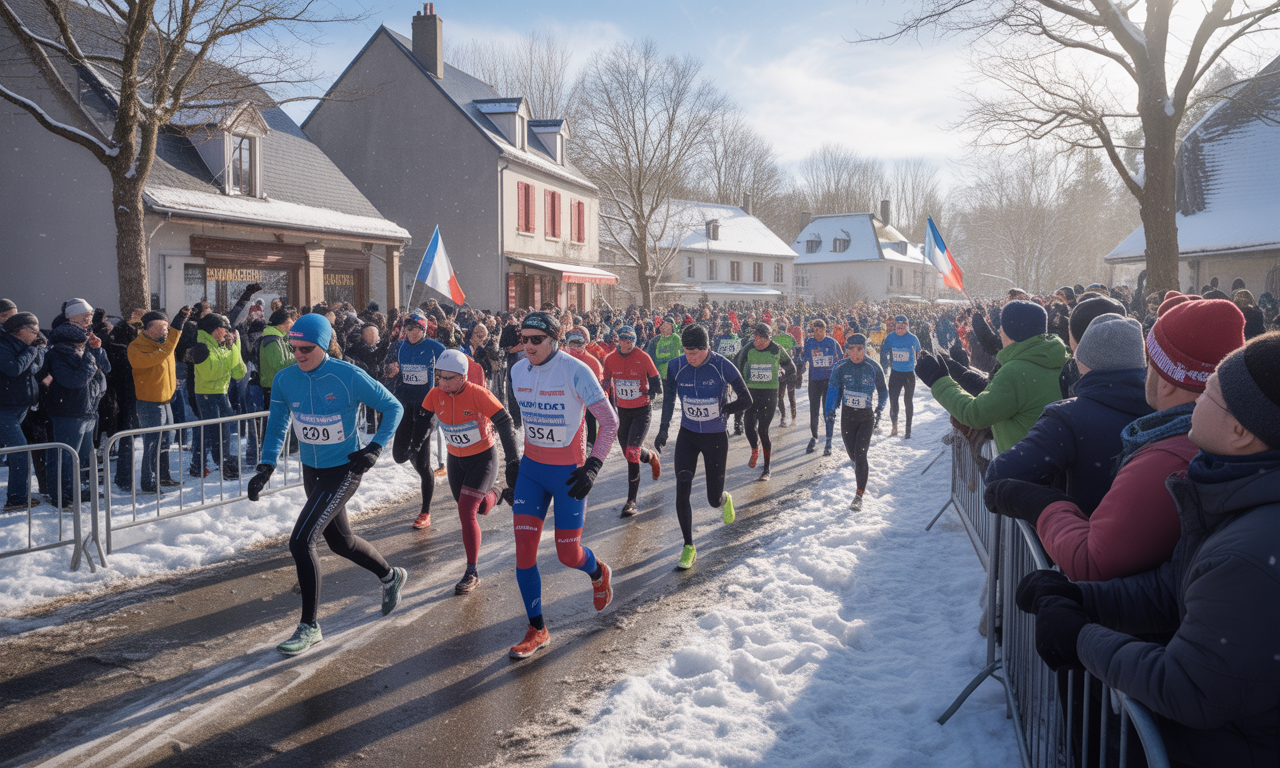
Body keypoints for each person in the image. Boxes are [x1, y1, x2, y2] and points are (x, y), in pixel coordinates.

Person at [1017, 331, 1280, 768]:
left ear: (1240, 432)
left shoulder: (1250, 551)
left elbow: (1190, 688)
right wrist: (1082, 599)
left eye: (1211, 392)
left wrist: (1080, 638)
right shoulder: (1236, 499)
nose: (1195, 401)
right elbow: (1173, 588)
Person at [985, 298, 1245, 581]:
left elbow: (1093, 560)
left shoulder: (1164, 453)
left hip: (1095, 591)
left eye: (1153, 364)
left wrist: (1044, 501)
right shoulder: (1225, 440)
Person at [246, 314, 407, 656]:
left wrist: (375, 448)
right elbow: (277, 426)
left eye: (307, 348)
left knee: (302, 540)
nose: (299, 354)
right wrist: (266, 466)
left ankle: (309, 626)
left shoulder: (347, 375)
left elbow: (393, 407)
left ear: (323, 345)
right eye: (294, 348)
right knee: (341, 542)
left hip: (344, 470)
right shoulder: (286, 378)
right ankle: (391, 576)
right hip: (312, 470)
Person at [507, 312, 619, 660]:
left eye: (535, 340)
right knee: (524, 550)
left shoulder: (576, 370)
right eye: (523, 339)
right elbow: (517, 419)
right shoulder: (516, 371)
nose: (527, 346)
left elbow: (609, 421)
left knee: (567, 554)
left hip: (568, 474)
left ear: (554, 339)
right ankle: (537, 628)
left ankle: (598, 571)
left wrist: (593, 465)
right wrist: (513, 461)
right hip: (532, 472)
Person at [984, 314, 1151, 516]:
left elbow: (1000, 472)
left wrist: (1050, 498)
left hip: (1078, 537)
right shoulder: (1165, 411)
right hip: (1150, 542)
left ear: (1082, 362)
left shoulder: (1067, 418)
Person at [405, 349, 519, 593]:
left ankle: (472, 571)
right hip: (455, 460)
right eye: (440, 377)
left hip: (483, 459)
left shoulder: (479, 394)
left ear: (463, 377)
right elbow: (424, 422)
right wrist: (415, 445)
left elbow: (505, 422)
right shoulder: (435, 394)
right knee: (477, 509)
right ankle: (500, 493)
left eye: (448, 378)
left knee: (466, 511)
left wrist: (513, 461)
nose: (442, 383)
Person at [656, 324, 752, 570]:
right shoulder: (676, 366)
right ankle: (689, 546)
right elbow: (668, 399)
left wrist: (726, 409)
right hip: (688, 435)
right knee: (682, 487)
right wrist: (663, 428)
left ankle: (724, 497)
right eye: (687, 352)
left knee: (712, 499)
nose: (691, 358)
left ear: (707, 347)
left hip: (715, 437)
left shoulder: (722, 365)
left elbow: (746, 399)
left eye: (696, 353)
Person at [916, 300, 1068, 453]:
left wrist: (938, 380)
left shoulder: (1015, 372)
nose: (999, 332)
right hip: (1054, 460)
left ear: (1014, 333)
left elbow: (975, 414)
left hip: (1025, 466)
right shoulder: (1060, 358)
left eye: (1002, 329)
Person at [387, 313, 446, 529]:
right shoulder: (401, 347)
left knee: (423, 465)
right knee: (399, 456)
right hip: (407, 408)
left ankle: (425, 512)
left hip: (426, 411)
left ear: (423, 330)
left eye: (416, 330)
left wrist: (444, 387)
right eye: (408, 329)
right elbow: (400, 377)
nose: (411, 333)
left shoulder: (434, 347)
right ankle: (417, 454)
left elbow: (457, 364)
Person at [43, 322, 109, 505]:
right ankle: (61, 493)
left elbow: (105, 370)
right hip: (69, 412)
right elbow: (74, 381)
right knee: (66, 456)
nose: (84, 344)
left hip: (87, 410)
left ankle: (76, 490)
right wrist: (89, 357)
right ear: (73, 343)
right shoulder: (57, 356)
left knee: (83, 456)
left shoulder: (81, 354)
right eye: (82, 343)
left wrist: (97, 351)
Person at [600, 325, 662, 517]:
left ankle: (631, 502)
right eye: (624, 339)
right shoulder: (610, 359)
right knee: (630, 453)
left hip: (642, 411)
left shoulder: (643, 357)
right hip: (623, 412)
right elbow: (606, 382)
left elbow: (657, 382)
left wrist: (650, 392)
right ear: (618, 339)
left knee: (632, 452)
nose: (628, 343)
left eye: (631, 340)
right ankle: (651, 457)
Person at [128, 307, 191, 494]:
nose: (166, 329)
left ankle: (163, 475)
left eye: (168, 325)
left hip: (166, 401)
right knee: (152, 444)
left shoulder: (164, 346)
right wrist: (178, 324)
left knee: (166, 442)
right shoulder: (136, 347)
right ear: (149, 328)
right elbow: (163, 354)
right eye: (163, 326)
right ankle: (148, 481)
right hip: (149, 404)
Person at [824, 334, 886, 510]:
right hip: (847, 418)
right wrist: (830, 411)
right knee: (853, 456)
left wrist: (880, 410)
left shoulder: (873, 367)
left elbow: (883, 391)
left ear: (865, 349)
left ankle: (859, 495)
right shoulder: (840, 367)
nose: (855, 353)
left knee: (860, 455)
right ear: (846, 349)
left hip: (866, 418)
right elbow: (833, 391)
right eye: (851, 349)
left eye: (859, 349)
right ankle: (861, 471)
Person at [733, 323, 796, 477]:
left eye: (762, 338)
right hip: (751, 392)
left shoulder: (776, 349)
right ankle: (755, 448)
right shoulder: (748, 348)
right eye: (755, 337)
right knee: (748, 427)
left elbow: (791, 368)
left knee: (763, 430)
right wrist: (739, 388)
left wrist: (786, 379)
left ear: (768, 337)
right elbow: (736, 366)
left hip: (769, 393)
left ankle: (766, 468)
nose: (758, 341)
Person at [191, 313, 247, 479]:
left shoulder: (222, 345)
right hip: (206, 394)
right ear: (215, 330)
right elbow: (210, 373)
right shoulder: (202, 346)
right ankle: (200, 464)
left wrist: (235, 347)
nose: (228, 333)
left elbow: (239, 372)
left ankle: (221, 461)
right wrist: (231, 352)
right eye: (225, 329)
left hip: (222, 392)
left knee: (222, 431)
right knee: (210, 432)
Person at [1, 312, 46, 511]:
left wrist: (38, 350)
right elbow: (14, 368)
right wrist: (32, 350)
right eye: (34, 331)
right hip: (5, 407)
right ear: (20, 331)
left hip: (20, 406)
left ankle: (17, 495)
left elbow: (34, 367)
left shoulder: (25, 347)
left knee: (16, 452)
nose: (37, 335)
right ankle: (16, 499)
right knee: (20, 452)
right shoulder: (4, 344)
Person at [797, 319, 839, 454]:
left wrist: (841, 379)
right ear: (813, 331)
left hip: (829, 381)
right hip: (814, 380)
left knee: (828, 411)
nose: (818, 334)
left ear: (825, 331)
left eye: (821, 331)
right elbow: (804, 360)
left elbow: (841, 360)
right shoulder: (809, 342)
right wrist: (798, 373)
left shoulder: (832, 342)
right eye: (816, 331)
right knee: (814, 410)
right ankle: (814, 436)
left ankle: (828, 441)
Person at [879, 315, 921, 438]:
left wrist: (918, 365)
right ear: (895, 326)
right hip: (895, 374)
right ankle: (894, 425)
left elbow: (919, 352)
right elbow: (884, 352)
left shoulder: (913, 338)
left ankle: (908, 429)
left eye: (903, 326)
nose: (900, 328)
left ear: (907, 326)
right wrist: (884, 366)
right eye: (898, 326)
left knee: (908, 401)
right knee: (893, 401)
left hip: (909, 374)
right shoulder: (890, 338)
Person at [771, 321, 798, 427]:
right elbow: (796, 349)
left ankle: (783, 417)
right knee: (791, 394)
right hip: (790, 366)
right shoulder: (790, 337)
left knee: (780, 396)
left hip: (780, 368)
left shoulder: (773, 339)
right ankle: (793, 417)